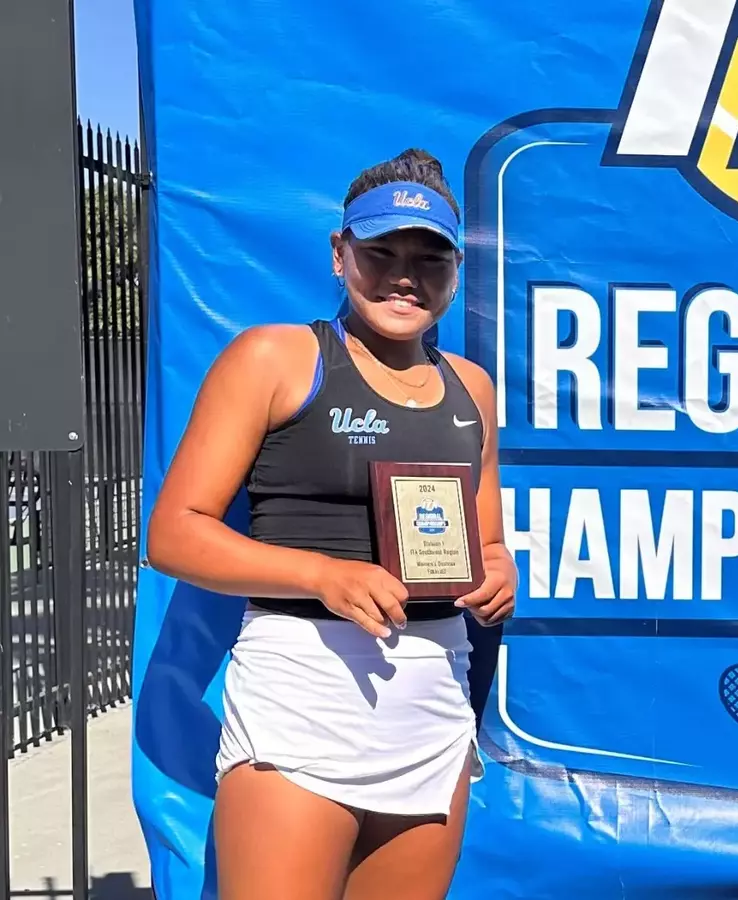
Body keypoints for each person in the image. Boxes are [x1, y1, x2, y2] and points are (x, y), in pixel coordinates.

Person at [145, 148, 518, 900]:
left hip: (432, 707)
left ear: (454, 273)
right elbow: (174, 533)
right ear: (339, 254)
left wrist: (499, 569)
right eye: (381, 252)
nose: (404, 275)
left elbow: (485, 542)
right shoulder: (275, 358)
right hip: (301, 697)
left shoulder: (471, 387)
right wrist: (321, 574)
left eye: (430, 258)